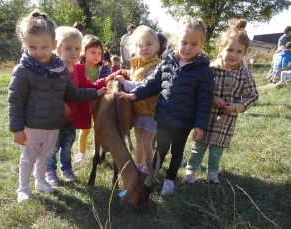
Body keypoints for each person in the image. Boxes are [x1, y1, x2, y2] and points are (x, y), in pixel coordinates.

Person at [8, 9, 106, 203]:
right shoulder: (23, 70)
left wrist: (95, 92)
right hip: (32, 126)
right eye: (32, 46)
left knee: (45, 157)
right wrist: (17, 129)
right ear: (25, 44)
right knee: (28, 159)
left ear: (53, 46)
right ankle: (24, 187)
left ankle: (40, 181)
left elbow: (73, 92)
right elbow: (15, 100)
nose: (38, 52)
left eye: (44, 47)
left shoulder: (60, 69)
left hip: (54, 125)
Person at [116, 16, 215, 195]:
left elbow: (204, 100)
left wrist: (200, 124)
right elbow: (152, 83)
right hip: (162, 118)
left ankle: (170, 179)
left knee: (176, 153)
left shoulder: (204, 71)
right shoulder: (168, 61)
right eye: (184, 42)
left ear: (202, 43)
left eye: (194, 44)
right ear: (177, 40)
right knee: (160, 150)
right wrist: (135, 94)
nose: (187, 48)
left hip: (183, 122)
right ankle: (152, 177)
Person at [182, 19, 259, 185]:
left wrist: (237, 106)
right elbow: (197, 89)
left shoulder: (244, 74)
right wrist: (212, 98)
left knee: (217, 150)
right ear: (221, 49)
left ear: (245, 54)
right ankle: (191, 171)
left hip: (226, 119)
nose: (233, 55)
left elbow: (253, 95)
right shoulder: (209, 69)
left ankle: (212, 173)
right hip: (204, 116)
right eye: (229, 49)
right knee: (198, 147)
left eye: (239, 51)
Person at [46, 26, 109, 185]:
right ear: (57, 48)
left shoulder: (79, 69)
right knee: (52, 148)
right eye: (68, 48)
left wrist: (107, 80)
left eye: (77, 48)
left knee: (67, 146)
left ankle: (66, 168)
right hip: (55, 118)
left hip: (71, 118)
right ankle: (50, 170)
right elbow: (47, 90)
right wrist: (60, 102)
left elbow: (89, 85)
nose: (73, 52)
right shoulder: (53, 69)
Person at [114, 25, 161, 174]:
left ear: (157, 46)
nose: (145, 48)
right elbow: (135, 74)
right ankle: (138, 165)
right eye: (140, 45)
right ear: (135, 48)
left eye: (149, 44)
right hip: (138, 112)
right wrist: (126, 72)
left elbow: (143, 84)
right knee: (139, 142)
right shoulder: (137, 64)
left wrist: (124, 82)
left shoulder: (156, 66)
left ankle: (148, 167)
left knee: (147, 143)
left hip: (151, 113)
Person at [74, 35, 111, 162]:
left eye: (99, 53)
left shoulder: (103, 68)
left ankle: (99, 148)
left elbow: (107, 82)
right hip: (85, 102)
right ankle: (81, 152)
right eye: (93, 52)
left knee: (99, 127)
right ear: (84, 53)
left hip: (100, 103)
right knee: (85, 129)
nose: (97, 55)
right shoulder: (79, 68)